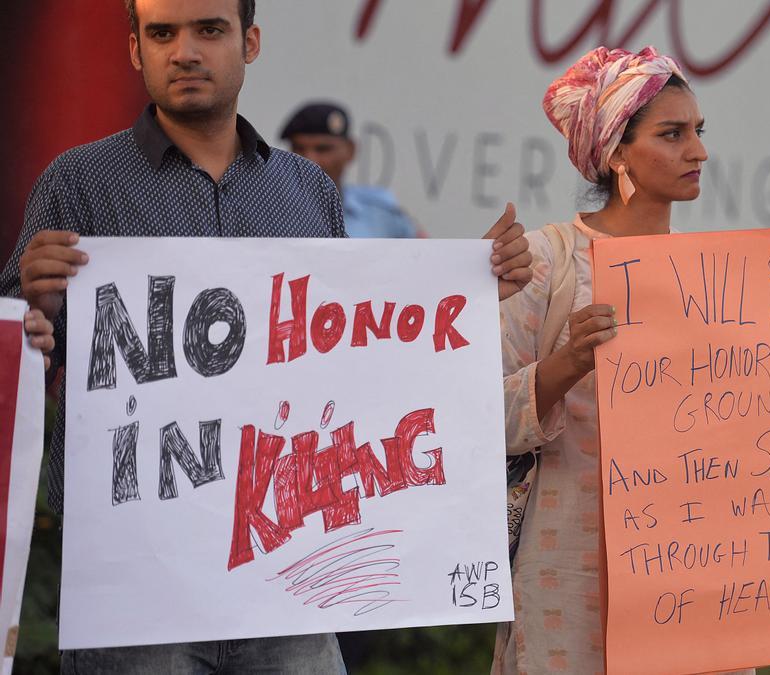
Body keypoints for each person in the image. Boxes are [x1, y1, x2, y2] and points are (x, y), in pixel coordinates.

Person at [0, 0, 531, 671]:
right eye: (161, 33)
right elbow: (16, 350)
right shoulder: (78, 183)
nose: (184, 51)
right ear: (136, 50)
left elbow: (349, 358)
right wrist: (35, 303)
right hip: (139, 574)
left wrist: (464, 297)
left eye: (209, 30)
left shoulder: (306, 189)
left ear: (249, 42)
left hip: (289, 559)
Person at [493, 46, 770, 674]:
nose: (698, 151)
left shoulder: (725, 279)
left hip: (701, 569)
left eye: (698, 132)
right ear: (616, 154)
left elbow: (757, 422)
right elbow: (480, 418)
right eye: (672, 134)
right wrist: (570, 362)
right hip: (572, 568)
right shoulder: (545, 262)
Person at [280, 101, 424, 238]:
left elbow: (423, 258)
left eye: (323, 149)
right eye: (298, 149)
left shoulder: (381, 215)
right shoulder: (272, 210)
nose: (309, 160)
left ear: (350, 150)